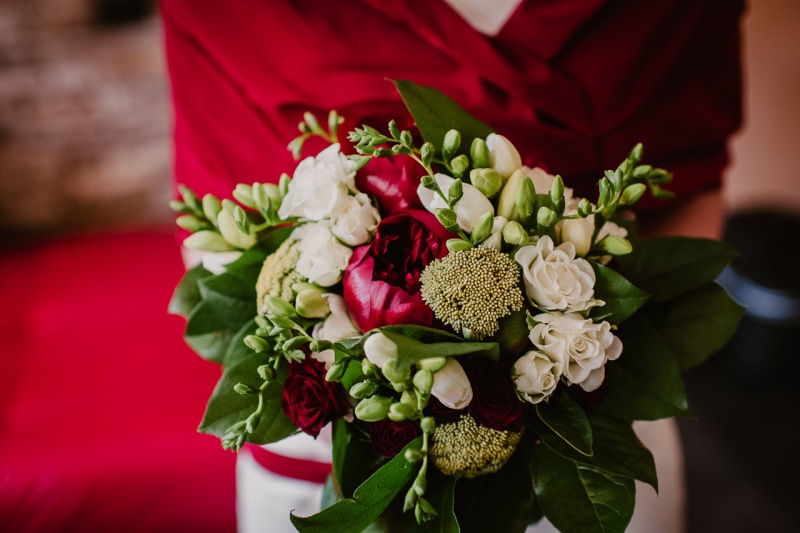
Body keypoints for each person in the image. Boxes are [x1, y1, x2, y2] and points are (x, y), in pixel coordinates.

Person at [161, 1, 745, 531]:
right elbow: (215, 229)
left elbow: (688, 186)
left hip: (585, 417)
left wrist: (547, 356)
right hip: (323, 448)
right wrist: (366, 389)